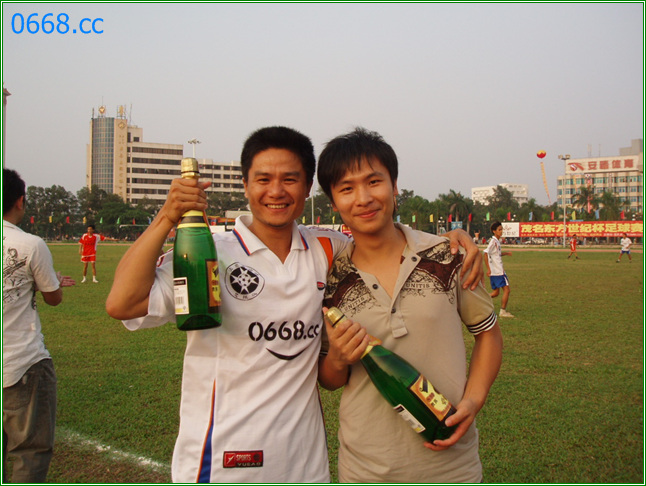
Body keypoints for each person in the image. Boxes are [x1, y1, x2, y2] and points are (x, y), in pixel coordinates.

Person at [105, 126, 482, 483]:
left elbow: (383, 240)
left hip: (305, 463)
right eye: (263, 179)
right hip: (225, 461)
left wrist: (452, 239)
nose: (276, 191)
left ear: (306, 188)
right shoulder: (210, 252)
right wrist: (166, 217)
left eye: (289, 179)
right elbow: (124, 303)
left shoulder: (327, 249)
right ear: (245, 185)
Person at [316, 128, 503, 483]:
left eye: (374, 182)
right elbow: (330, 379)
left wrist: (473, 400)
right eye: (346, 188)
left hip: (453, 468)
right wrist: (338, 359)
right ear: (333, 201)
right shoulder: (329, 278)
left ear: (395, 186)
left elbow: (489, 335)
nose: (363, 198)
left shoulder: (448, 254)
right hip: (366, 470)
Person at [3, 169, 76, 483]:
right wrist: (48, 281)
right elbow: (53, 298)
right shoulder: (30, 244)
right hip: (21, 364)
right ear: (20, 201)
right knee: (29, 454)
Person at [484, 221, 514, 318]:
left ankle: (479, 301)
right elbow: (486, 253)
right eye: (499, 230)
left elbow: (496, 254)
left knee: (495, 293)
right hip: (498, 271)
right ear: (494, 231)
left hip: (495, 272)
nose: (501, 231)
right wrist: (488, 269)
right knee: (507, 290)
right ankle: (503, 311)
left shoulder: (496, 241)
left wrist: (506, 253)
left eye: (502, 229)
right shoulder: (493, 242)